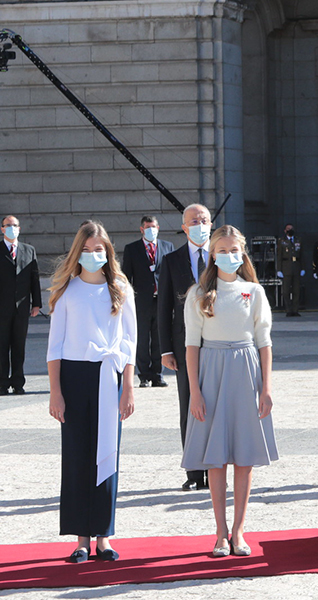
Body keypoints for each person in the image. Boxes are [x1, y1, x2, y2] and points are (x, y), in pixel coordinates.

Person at [181, 225, 277, 557]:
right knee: (216, 457)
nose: (229, 256)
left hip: (246, 370)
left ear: (243, 252)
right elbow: (191, 345)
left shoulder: (255, 291)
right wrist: (194, 391)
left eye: (234, 249)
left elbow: (264, 341)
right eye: (222, 250)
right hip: (211, 371)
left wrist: (266, 387)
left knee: (244, 457)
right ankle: (220, 532)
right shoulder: (198, 293)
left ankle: (239, 531)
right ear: (211, 254)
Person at [46, 220, 137, 563]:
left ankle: (104, 537)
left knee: (106, 456)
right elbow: (55, 346)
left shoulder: (121, 290)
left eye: (98, 249)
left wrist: (127, 387)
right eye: (86, 250)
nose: (93, 255)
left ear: (108, 251)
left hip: (108, 376)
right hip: (74, 376)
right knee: (77, 456)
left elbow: (129, 341)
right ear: (77, 252)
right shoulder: (67, 291)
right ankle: (81, 538)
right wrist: (56, 392)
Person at [158, 203, 212, 491]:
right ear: (184, 226)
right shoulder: (171, 260)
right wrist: (165, 349)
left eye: (203, 220)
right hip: (183, 346)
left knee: (215, 406)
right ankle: (194, 472)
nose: (199, 224)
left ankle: (214, 469)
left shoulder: (222, 256)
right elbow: (163, 307)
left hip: (217, 343)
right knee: (189, 405)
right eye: (194, 220)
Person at [121, 216, 173, 388]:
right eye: (148, 227)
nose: (152, 230)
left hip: (161, 299)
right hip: (141, 301)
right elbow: (126, 276)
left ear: (158, 227)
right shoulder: (132, 249)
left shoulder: (167, 246)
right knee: (142, 338)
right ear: (142, 229)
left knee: (159, 337)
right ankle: (144, 375)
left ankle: (158, 374)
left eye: (154, 227)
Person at [0, 215, 42, 395]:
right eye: (8, 225)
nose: (11, 228)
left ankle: (18, 381)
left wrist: (37, 304)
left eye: (14, 225)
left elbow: (34, 278)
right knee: (2, 346)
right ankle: (2, 383)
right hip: (2, 308)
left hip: (22, 307)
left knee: (19, 346)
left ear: (19, 228)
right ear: (2, 229)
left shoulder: (28, 250)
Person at [276, 224, 304, 317]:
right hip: (286, 267)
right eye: (288, 229)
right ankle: (288, 309)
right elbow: (279, 256)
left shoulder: (298, 240)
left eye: (291, 229)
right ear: (285, 231)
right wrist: (279, 269)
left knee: (296, 290)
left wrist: (302, 268)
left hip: (296, 267)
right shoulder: (282, 241)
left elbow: (302, 255)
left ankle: (295, 310)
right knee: (286, 291)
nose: (290, 230)